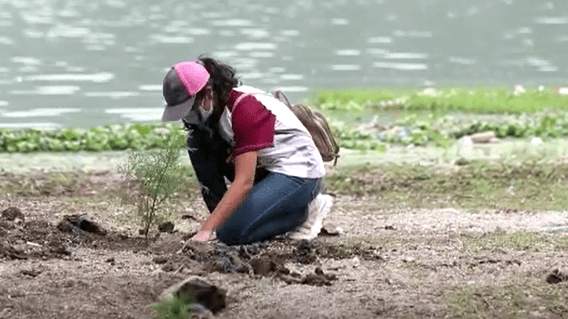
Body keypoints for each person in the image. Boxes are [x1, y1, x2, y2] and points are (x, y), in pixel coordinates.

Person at [161, 55, 332, 245]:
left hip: (299, 172)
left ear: (208, 95)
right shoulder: (209, 122)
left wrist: (208, 228)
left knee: (230, 234)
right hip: (267, 169)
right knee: (197, 144)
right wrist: (216, 224)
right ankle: (253, 217)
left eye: (189, 110)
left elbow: (244, 181)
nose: (187, 118)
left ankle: (306, 212)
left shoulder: (245, 109)